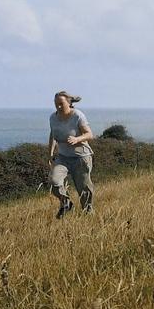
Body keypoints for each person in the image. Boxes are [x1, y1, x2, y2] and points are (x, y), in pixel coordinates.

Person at [48, 90, 95, 218]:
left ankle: (88, 214)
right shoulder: (53, 117)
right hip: (63, 157)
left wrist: (77, 139)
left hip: (81, 158)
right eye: (56, 103)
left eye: (61, 104)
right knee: (54, 182)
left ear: (68, 103)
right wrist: (50, 154)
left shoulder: (78, 116)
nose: (58, 106)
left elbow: (89, 134)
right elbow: (53, 135)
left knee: (84, 189)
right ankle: (66, 203)